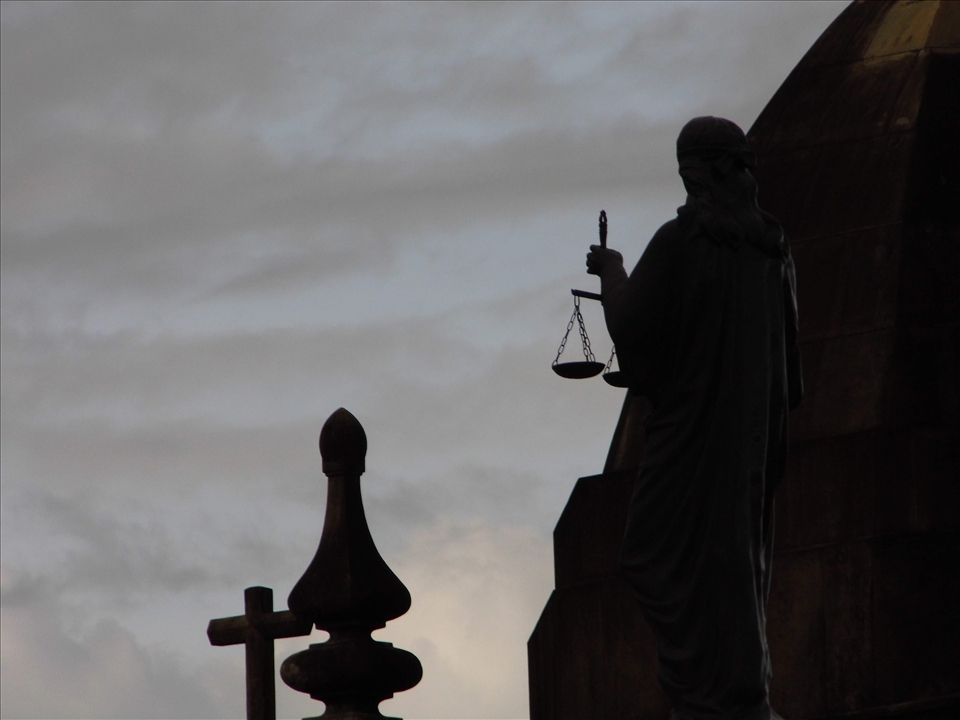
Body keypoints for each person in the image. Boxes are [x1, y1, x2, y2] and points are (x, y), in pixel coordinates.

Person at [586, 116, 802, 720]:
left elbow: (633, 330)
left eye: (692, 177)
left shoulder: (681, 243)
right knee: (737, 563)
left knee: (652, 555)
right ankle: (736, 689)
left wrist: (611, 271)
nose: (689, 190)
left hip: (692, 441)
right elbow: (789, 372)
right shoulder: (774, 251)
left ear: (709, 173)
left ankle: (709, 695)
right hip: (752, 444)